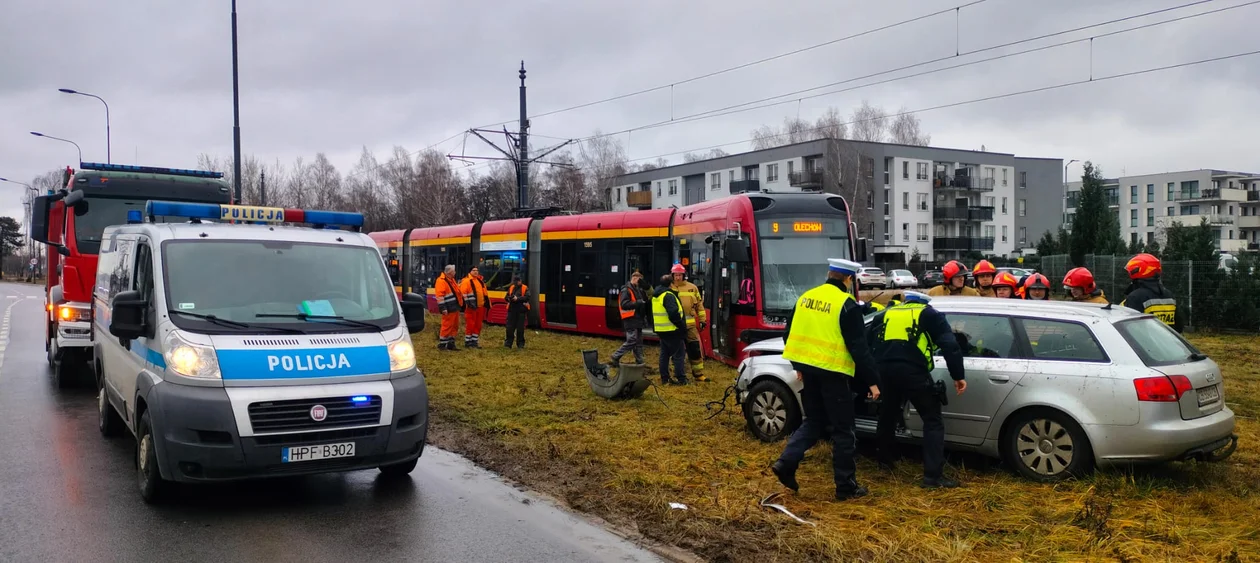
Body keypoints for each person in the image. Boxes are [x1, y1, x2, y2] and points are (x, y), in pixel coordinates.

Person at [770, 258, 882, 501]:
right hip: (834, 374)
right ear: (848, 279)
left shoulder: (806, 297)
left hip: (809, 373)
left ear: (830, 274)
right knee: (844, 431)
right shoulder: (846, 304)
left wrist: (798, 365)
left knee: (814, 422)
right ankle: (846, 487)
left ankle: (785, 463)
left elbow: (789, 333)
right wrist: (873, 381)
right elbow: (859, 347)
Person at [872, 291, 966, 488]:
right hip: (913, 372)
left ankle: (884, 462)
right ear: (925, 303)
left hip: (884, 371)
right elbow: (950, 345)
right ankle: (932, 477)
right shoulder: (929, 314)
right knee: (932, 420)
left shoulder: (886, 313)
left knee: (887, 415)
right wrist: (958, 375)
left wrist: (870, 378)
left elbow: (868, 343)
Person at [1121, 253, 1182, 332]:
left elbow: (1129, 328)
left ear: (1137, 270)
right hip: (1166, 342)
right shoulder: (1169, 295)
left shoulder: (1136, 297)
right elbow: (1179, 326)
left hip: (1144, 342)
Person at [670, 263, 709, 382]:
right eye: (675, 275)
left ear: (684, 275)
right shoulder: (669, 287)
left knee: (694, 348)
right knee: (676, 351)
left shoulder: (692, 287)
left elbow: (699, 306)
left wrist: (702, 320)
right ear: (672, 275)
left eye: (680, 275)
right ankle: (677, 374)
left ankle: (698, 374)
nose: (678, 277)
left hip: (690, 326)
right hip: (675, 326)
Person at [651, 274, 688, 385]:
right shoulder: (668, 295)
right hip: (673, 330)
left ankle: (665, 378)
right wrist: (681, 326)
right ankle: (681, 379)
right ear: (671, 284)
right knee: (679, 354)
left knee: (664, 355)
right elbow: (673, 313)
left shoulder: (656, 295)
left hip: (661, 330)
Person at [610, 271, 649, 366]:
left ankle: (640, 361)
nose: (640, 283)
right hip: (630, 318)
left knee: (639, 342)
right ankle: (616, 356)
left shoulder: (638, 289)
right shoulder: (626, 290)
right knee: (632, 340)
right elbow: (624, 304)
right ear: (635, 278)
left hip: (637, 319)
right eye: (640, 280)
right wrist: (638, 303)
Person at [459, 266, 491, 348]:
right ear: (470, 272)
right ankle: (468, 342)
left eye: (477, 270)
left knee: (478, 325)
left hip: (480, 306)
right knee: (470, 324)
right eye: (474, 270)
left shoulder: (480, 281)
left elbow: (484, 293)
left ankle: (474, 342)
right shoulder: (466, 281)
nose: (476, 272)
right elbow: (463, 294)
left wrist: (486, 303)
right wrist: (468, 304)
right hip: (471, 307)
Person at [434, 265, 463, 351]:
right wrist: (443, 308)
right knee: (447, 326)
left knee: (454, 326)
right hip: (449, 308)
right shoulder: (441, 281)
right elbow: (440, 296)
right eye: (454, 271)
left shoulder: (451, 280)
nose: (455, 272)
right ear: (450, 272)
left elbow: (456, 291)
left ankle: (451, 343)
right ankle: (442, 345)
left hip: (454, 307)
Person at [504, 275, 530, 348]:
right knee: (509, 328)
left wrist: (517, 299)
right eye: (515, 281)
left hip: (521, 310)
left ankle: (520, 344)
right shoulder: (511, 287)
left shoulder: (525, 288)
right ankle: (508, 343)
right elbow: (506, 297)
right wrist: (509, 298)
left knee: (520, 328)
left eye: (517, 281)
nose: (516, 282)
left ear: (520, 281)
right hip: (512, 310)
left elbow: (527, 297)